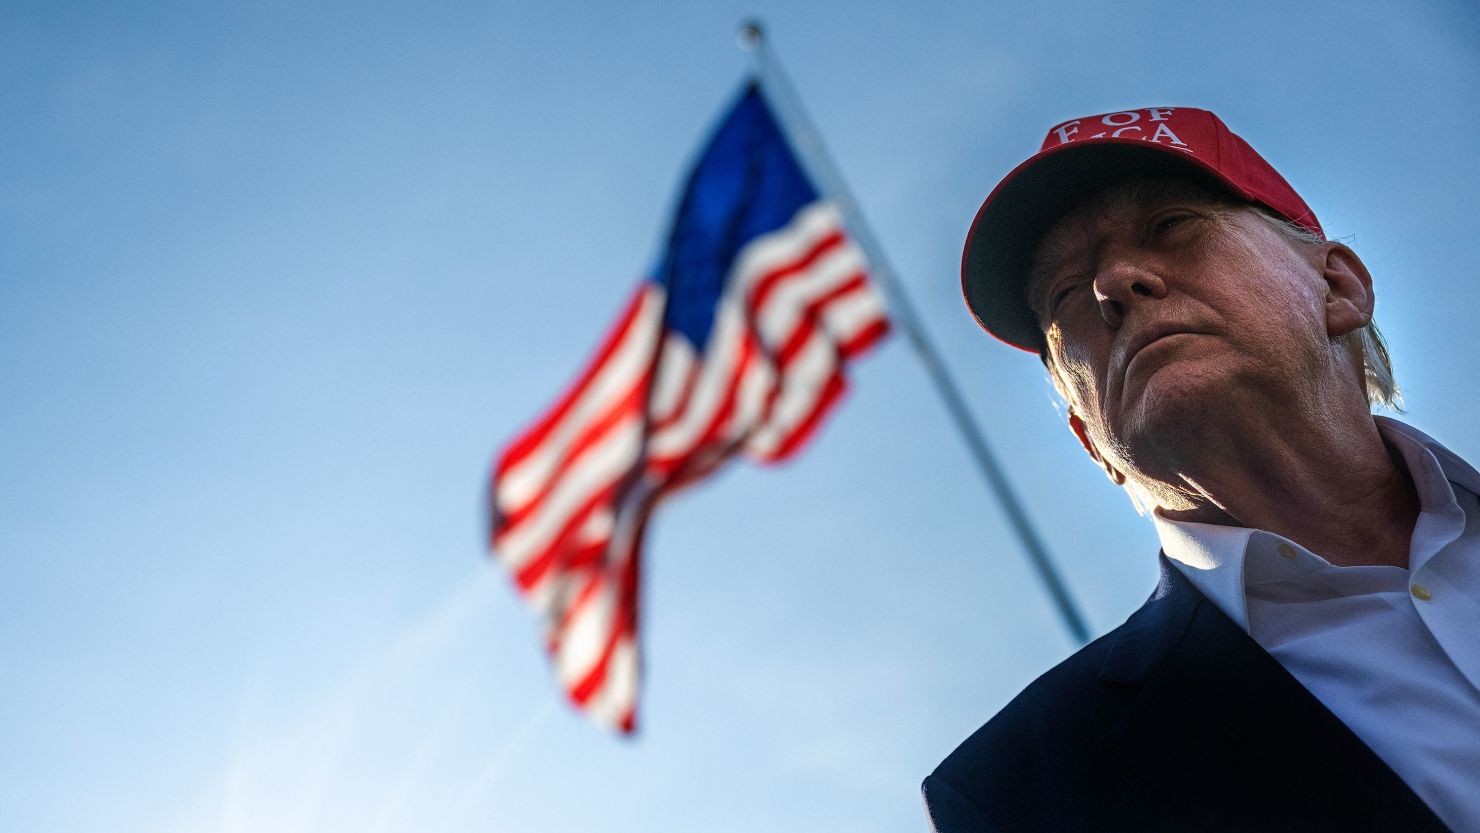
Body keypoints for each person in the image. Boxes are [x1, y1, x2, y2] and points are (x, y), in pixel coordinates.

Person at [923, 107, 1480, 832]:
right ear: (1088, 436)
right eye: (1064, 295)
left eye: (1170, 225)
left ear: (1338, 287)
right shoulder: (1022, 790)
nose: (1113, 283)